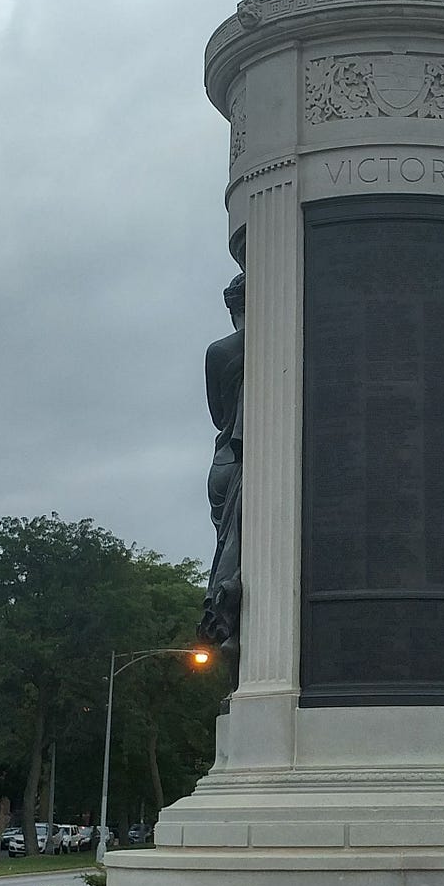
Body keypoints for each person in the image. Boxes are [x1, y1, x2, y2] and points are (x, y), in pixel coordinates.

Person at [198, 272, 245, 686]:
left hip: (222, 462)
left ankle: (225, 611)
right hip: (246, 457)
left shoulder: (220, 352)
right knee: (241, 541)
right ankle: (225, 612)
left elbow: (217, 415)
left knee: (229, 542)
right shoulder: (274, 343)